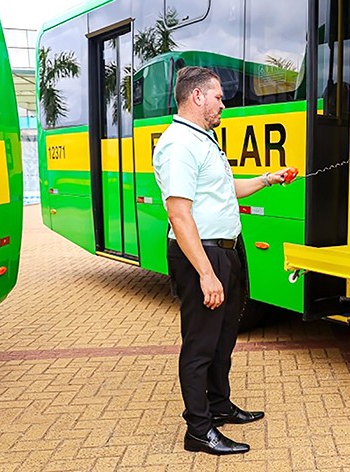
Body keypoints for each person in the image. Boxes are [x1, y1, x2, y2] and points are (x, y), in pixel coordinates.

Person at [152, 66, 291, 456]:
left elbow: (225, 188)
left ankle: (218, 405)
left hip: (227, 249)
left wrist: (267, 179)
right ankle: (198, 430)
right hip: (204, 254)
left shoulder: (204, 139)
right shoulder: (180, 145)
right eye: (217, 96)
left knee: (224, 338)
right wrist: (206, 274)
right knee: (200, 346)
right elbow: (180, 215)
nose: (222, 103)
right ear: (197, 97)